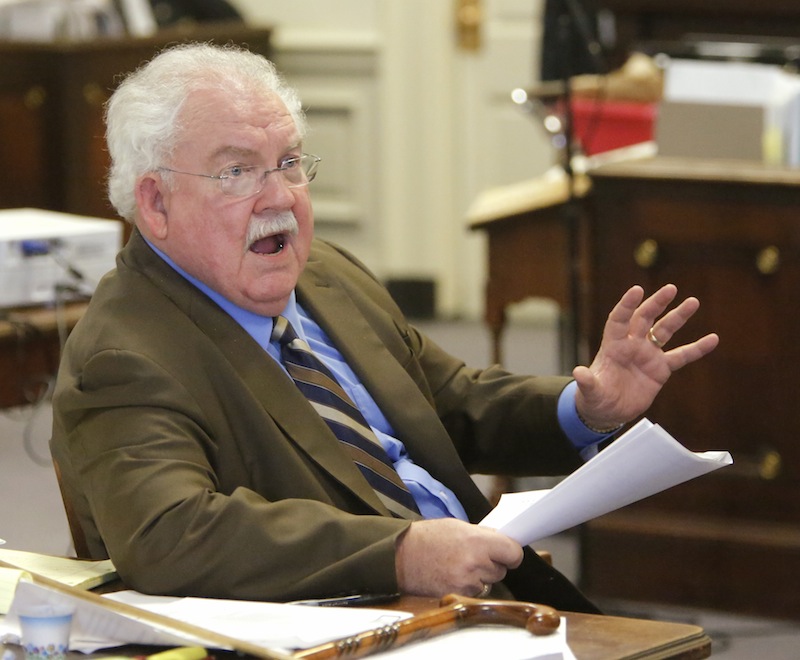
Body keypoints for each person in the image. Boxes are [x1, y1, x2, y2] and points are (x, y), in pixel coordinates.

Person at [50, 42, 718, 613]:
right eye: (237, 172)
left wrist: (584, 405)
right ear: (155, 202)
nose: (280, 198)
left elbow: (450, 404)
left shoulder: (326, 276)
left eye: (289, 162)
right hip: (363, 621)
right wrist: (400, 554)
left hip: (490, 596)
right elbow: (171, 535)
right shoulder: (124, 352)